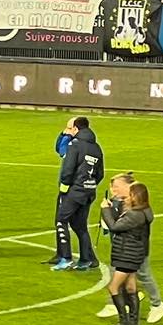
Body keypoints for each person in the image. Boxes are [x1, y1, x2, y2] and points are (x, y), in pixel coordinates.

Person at [98, 172, 163, 324]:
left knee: (142, 275)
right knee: (126, 279)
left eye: (117, 186)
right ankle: (118, 306)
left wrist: (106, 212)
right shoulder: (120, 202)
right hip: (124, 249)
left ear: (129, 186)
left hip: (134, 250)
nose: (114, 190)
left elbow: (115, 226)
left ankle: (157, 304)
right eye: (112, 187)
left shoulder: (137, 209)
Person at [51, 116, 105, 272]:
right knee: (80, 225)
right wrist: (90, 185)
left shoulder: (75, 145)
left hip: (74, 191)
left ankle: (65, 258)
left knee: (61, 220)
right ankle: (85, 259)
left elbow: (68, 168)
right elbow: (100, 173)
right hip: (89, 191)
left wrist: (65, 186)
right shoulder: (96, 147)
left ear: (75, 129)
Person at [103, 181, 154, 325]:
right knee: (131, 287)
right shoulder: (143, 211)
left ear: (136, 197)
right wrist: (114, 207)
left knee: (113, 287)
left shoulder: (135, 215)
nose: (126, 198)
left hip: (127, 255)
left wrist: (105, 210)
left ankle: (124, 322)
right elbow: (121, 221)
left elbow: (115, 227)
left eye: (130, 195)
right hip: (134, 254)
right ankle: (133, 324)